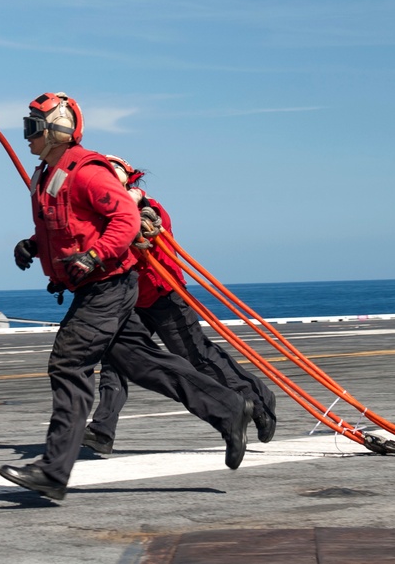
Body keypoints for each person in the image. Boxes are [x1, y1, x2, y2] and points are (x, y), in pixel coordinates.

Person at [0, 93, 252, 501]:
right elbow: (69, 228)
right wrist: (33, 246)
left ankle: (53, 469)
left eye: (33, 127)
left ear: (57, 129)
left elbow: (125, 218)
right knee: (142, 362)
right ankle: (227, 407)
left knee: (68, 361)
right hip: (99, 288)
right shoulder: (48, 174)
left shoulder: (87, 171)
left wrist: (96, 255)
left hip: (108, 287)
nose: (26, 135)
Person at [83, 156, 277, 456]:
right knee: (116, 362)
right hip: (129, 299)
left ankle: (259, 402)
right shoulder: (104, 212)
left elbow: (150, 221)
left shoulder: (148, 206)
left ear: (126, 178)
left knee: (196, 357)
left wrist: (141, 222)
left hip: (163, 295)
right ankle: (102, 431)